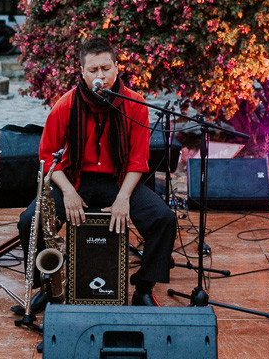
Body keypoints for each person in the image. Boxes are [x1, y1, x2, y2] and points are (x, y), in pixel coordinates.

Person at [13, 38, 176, 314]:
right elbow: (47, 155)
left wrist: (124, 197)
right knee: (31, 220)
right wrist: (67, 192)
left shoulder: (135, 105)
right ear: (82, 72)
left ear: (116, 67)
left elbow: (139, 159)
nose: (100, 75)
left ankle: (144, 289)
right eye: (93, 70)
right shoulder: (65, 105)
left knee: (164, 218)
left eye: (105, 68)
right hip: (76, 179)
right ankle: (48, 285)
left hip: (119, 180)